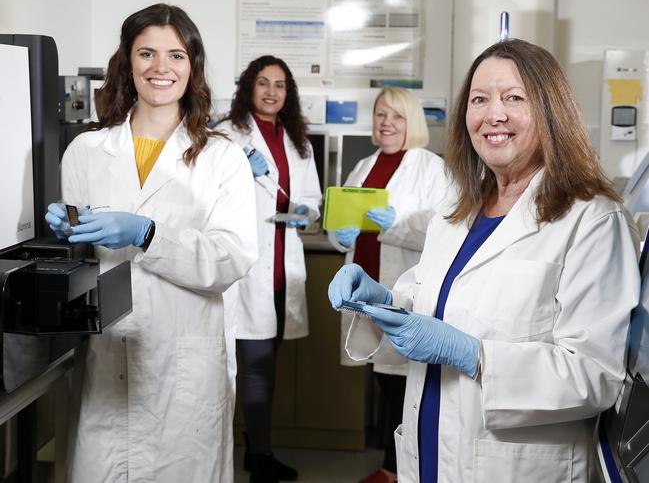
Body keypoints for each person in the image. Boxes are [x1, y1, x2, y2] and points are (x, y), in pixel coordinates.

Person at [328, 38, 641, 482]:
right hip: (431, 451)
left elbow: (596, 375)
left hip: (514, 467)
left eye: (514, 98)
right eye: (480, 99)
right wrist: (383, 302)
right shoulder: (458, 210)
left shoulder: (591, 219)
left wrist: (472, 355)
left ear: (551, 110)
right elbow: (430, 304)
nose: (494, 114)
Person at [44, 4, 258, 482]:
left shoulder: (222, 158)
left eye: (175, 55)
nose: (161, 68)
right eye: (147, 53)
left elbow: (232, 257)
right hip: (105, 353)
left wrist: (148, 234)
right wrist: (62, 237)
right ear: (128, 62)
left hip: (184, 360)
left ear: (192, 66)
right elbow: (77, 260)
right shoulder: (86, 151)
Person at [328, 87, 448, 483]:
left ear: (411, 121)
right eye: (381, 115)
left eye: (396, 116)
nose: (386, 123)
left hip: (400, 285)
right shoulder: (363, 165)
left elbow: (445, 230)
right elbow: (338, 219)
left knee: (401, 380)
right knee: (381, 374)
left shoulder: (431, 168)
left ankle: (397, 470)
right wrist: (340, 238)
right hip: (365, 281)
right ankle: (392, 466)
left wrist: (398, 222)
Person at [218, 55, 322, 483]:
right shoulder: (226, 134)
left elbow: (313, 201)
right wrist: (242, 168)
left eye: (280, 85)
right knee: (253, 363)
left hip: (282, 264)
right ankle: (256, 455)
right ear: (249, 87)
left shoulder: (298, 140)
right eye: (263, 83)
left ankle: (256, 451)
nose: (271, 92)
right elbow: (210, 191)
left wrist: (304, 211)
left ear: (288, 94)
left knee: (267, 362)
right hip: (246, 267)